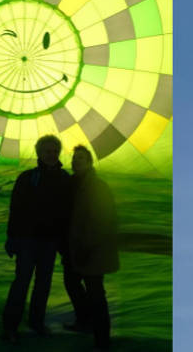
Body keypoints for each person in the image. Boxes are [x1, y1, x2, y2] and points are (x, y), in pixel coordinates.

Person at [2, 135, 71, 342]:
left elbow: (67, 212)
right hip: (27, 241)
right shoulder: (27, 177)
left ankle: (36, 321)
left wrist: (64, 242)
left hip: (49, 242)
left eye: (54, 151)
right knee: (21, 283)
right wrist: (12, 237)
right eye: (47, 151)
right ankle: (10, 326)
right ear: (39, 153)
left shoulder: (64, 178)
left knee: (43, 284)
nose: (51, 155)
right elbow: (16, 209)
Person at [66, 145, 120, 350]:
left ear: (89, 163)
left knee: (96, 294)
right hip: (77, 249)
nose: (75, 161)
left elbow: (104, 220)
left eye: (80, 158)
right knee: (71, 282)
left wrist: (88, 246)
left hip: (93, 251)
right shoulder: (73, 184)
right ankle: (85, 322)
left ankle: (102, 340)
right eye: (74, 158)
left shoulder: (98, 187)